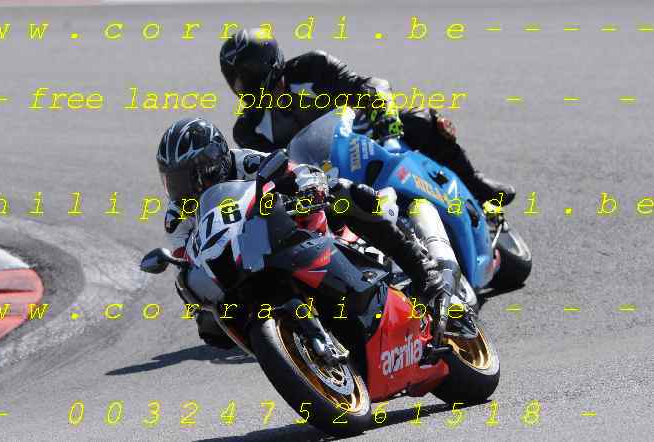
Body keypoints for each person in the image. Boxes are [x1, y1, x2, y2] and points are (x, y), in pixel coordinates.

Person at [157, 117, 461, 350]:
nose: (185, 188)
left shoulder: (243, 162)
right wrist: (195, 292)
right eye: (174, 181)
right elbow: (187, 257)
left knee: (344, 193)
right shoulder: (176, 215)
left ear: (216, 161)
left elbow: (293, 169)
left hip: (288, 224)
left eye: (190, 176)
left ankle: (424, 271)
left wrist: (310, 187)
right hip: (242, 259)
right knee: (210, 323)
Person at [219, 28, 516, 207]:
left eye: (248, 75)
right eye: (237, 80)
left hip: (362, 141)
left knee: (424, 121)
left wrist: (387, 121)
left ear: (270, 63)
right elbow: (272, 170)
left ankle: (475, 185)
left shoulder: (313, 67)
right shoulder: (247, 129)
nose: (243, 87)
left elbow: (369, 85)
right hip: (320, 183)